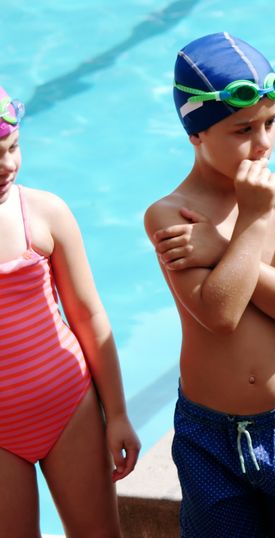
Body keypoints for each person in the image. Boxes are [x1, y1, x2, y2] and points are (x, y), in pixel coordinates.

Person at [144, 33, 275, 537]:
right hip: (209, 435)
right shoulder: (170, 216)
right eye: (243, 129)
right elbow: (220, 314)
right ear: (196, 133)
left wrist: (224, 249)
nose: (264, 143)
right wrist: (252, 223)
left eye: (271, 123)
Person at [0, 84, 140, 535]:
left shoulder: (43, 212)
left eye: (13, 148)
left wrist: (116, 413)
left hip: (69, 405)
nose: (7, 165)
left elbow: (88, 315)